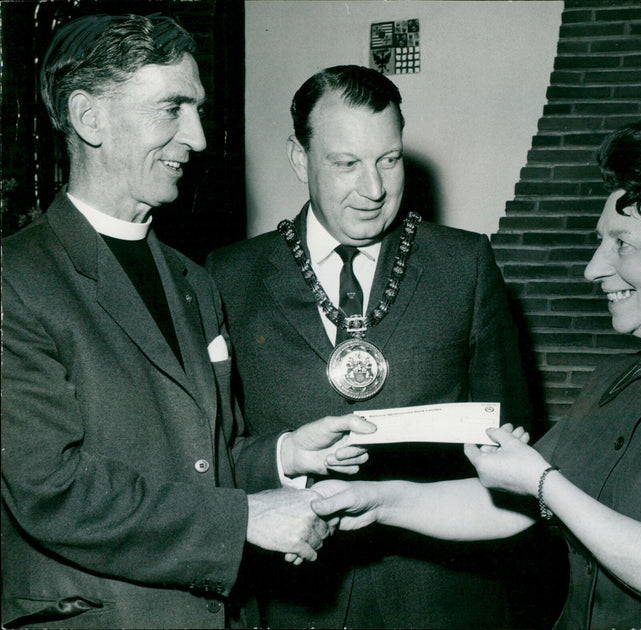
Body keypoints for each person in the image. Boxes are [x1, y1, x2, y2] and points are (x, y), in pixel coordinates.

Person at [311, 121, 641, 629]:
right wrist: (377, 500)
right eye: (599, 242)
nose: (593, 268)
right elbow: (507, 502)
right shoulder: (613, 383)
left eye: (623, 244)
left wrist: (542, 481)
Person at [1, 14, 339, 629]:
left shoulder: (192, 280)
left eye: (198, 109)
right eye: (172, 108)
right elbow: (50, 489)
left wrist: (286, 455)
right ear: (89, 118)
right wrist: (244, 520)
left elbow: (206, 458)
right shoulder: (16, 279)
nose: (199, 138)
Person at [206, 65, 534, 628]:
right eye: (346, 163)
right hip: (293, 599)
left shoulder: (465, 264)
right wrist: (284, 461)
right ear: (299, 159)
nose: (374, 189)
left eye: (389, 160)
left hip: (444, 599)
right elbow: (214, 452)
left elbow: (512, 441)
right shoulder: (229, 276)